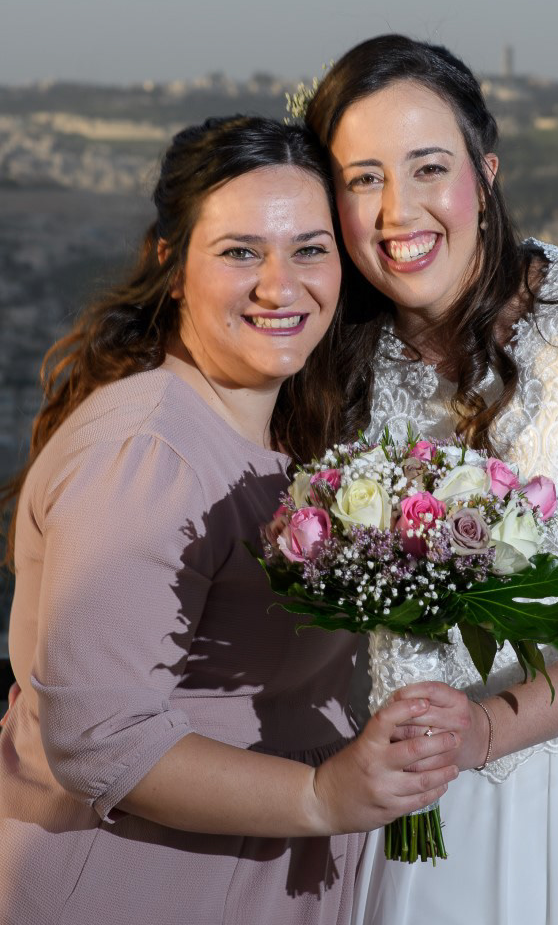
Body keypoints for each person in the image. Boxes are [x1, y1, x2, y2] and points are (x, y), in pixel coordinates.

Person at [0, 115, 461, 925]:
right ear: (171, 265)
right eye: (241, 252)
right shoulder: (145, 456)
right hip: (140, 888)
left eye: (310, 250)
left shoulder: (289, 431)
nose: (280, 287)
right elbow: (101, 740)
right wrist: (320, 796)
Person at [304, 36, 558, 925]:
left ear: (485, 173)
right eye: (364, 178)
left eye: (428, 167)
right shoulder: (328, 357)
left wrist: (487, 729)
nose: (397, 210)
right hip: (409, 793)